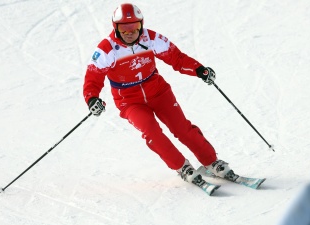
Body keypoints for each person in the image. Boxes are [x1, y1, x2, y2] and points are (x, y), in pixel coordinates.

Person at [83, 3, 232, 194]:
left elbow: (176, 58)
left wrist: (199, 70)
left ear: (141, 25)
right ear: (115, 27)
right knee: (152, 132)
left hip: (159, 92)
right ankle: (182, 167)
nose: (130, 32)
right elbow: (92, 77)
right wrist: (92, 98)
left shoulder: (150, 38)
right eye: (124, 28)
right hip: (130, 101)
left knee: (182, 128)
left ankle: (212, 162)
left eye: (134, 27)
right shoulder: (106, 49)